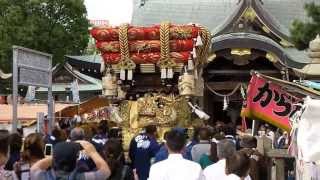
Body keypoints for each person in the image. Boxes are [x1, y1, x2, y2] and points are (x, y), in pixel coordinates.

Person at [30, 141, 111, 180]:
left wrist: (56, 156)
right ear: (75, 161)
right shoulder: (81, 178)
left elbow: (35, 167)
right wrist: (92, 152)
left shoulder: (41, 177)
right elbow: (106, 171)